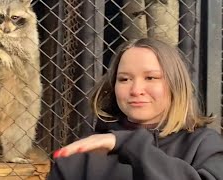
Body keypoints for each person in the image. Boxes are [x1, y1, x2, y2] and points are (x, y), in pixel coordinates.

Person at [47, 38, 223, 180]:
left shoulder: (204, 145)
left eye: (151, 78)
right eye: (124, 79)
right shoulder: (83, 154)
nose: (136, 90)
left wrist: (129, 144)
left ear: (175, 84)